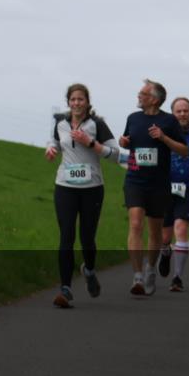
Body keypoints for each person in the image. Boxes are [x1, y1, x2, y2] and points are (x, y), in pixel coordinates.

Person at [45, 83, 120, 308]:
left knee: (87, 239)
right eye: (73, 99)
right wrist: (51, 148)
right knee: (66, 237)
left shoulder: (97, 124)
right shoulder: (60, 122)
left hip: (92, 188)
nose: (76, 103)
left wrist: (92, 144)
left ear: (87, 102)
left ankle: (88, 270)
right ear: (68, 102)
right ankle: (65, 289)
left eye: (81, 99)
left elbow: (115, 155)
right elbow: (55, 141)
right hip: (65, 186)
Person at [119, 80, 189, 296]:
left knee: (155, 231)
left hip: (158, 184)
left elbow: (184, 150)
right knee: (136, 223)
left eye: (143, 93)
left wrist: (164, 137)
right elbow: (129, 142)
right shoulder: (133, 118)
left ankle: (151, 269)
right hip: (134, 180)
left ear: (155, 99)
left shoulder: (168, 121)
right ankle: (137, 276)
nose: (139, 95)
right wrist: (123, 142)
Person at [157, 97, 189, 293]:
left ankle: (177, 277)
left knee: (181, 229)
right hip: (164, 187)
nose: (183, 114)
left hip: (187, 187)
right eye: (179, 111)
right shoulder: (162, 134)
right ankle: (165, 251)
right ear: (172, 113)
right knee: (165, 235)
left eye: (186, 111)